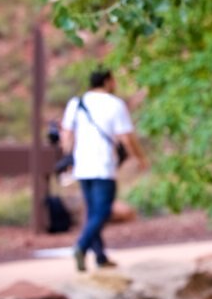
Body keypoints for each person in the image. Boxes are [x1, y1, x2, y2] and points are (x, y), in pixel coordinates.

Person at [60, 68, 148, 271]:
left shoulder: (77, 103)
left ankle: (100, 256)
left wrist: (69, 157)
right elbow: (126, 137)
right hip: (103, 164)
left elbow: (67, 134)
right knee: (103, 211)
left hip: (82, 165)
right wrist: (139, 158)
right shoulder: (114, 104)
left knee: (93, 212)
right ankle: (81, 246)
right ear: (108, 81)